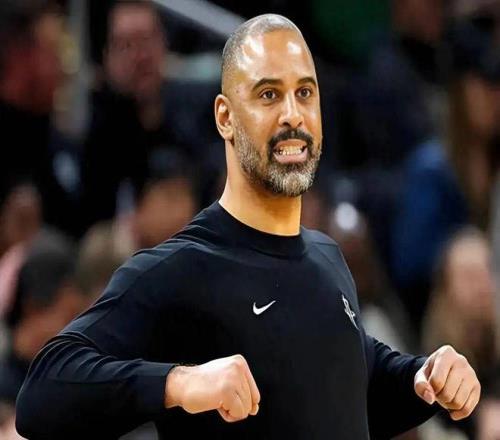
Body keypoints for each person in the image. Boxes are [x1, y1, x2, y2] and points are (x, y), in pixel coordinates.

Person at [16, 14, 480, 439]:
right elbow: (44, 391)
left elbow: (349, 388)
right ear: (225, 117)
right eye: (268, 95)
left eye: (305, 93)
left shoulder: (326, 257)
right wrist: (178, 383)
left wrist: (422, 378)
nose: (292, 115)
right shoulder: (182, 268)